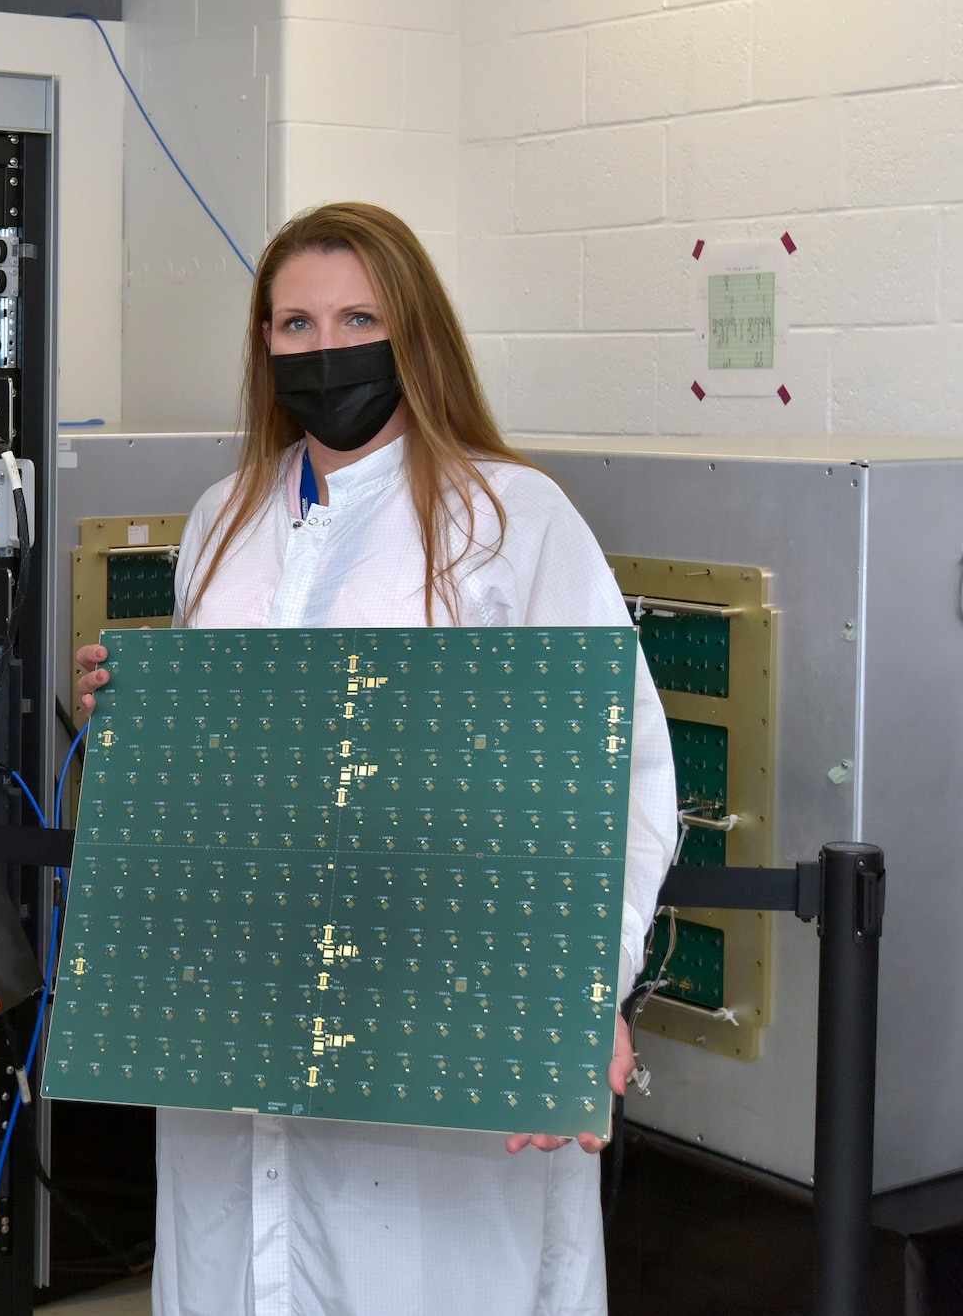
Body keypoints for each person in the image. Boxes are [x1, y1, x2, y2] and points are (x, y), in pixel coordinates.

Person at [72, 202, 674, 1315]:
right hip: (236, 1008)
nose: (322, 346)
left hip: (431, 1010)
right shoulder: (221, 518)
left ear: (414, 333)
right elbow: (219, 774)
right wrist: (123, 717)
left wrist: (585, 990)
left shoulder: (508, 515)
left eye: (355, 316)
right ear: (260, 343)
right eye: (292, 323)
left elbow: (618, 774)